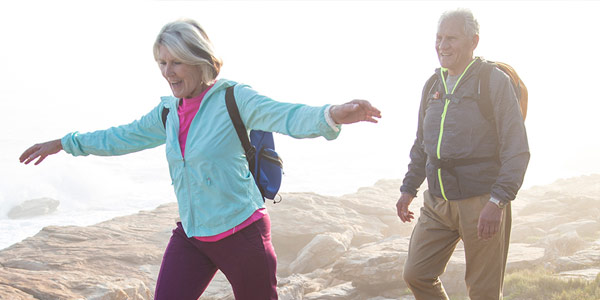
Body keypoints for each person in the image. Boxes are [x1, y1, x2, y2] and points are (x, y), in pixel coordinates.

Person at [19, 19, 381, 300]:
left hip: (242, 234)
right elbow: (121, 137)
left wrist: (333, 114)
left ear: (199, 60)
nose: (167, 71)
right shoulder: (167, 112)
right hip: (192, 235)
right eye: (162, 62)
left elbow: (287, 115)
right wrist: (66, 143)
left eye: (176, 62)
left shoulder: (234, 98)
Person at [396, 9, 529, 300]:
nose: (443, 45)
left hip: (482, 202)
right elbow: (422, 143)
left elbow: (516, 149)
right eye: (439, 37)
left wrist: (497, 201)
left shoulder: (492, 82)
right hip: (437, 202)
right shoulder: (433, 85)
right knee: (416, 274)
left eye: (452, 38)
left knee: (483, 292)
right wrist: (408, 189)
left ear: (474, 41)